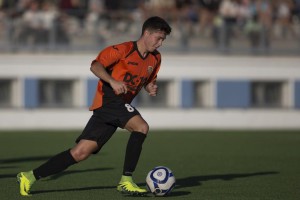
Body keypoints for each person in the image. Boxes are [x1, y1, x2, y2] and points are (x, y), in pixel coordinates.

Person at [17, 16, 171, 196]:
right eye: (158, 38)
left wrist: (149, 86)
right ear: (146, 33)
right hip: (109, 101)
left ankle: (30, 176)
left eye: (163, 40)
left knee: (80, 153)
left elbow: (147, 80)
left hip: (115, 108)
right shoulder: (123, 50)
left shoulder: (155, 58)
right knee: (142, 127)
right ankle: (126, 180)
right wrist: (112, 81)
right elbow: (95, 66)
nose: (160, 43)